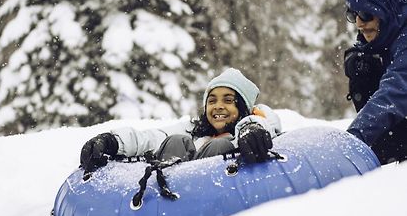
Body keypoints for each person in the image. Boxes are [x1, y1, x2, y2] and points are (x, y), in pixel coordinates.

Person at [80, 68, 282, 173]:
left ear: (243, 107)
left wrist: (252, 129)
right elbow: (153, 137)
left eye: (228, 100)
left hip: (222, 191)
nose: (218, 106)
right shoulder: (194, 130)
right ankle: (165, 197)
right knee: (177, 140)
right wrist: (113, 141)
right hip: (176, 193)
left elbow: (266, 123)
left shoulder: (252, 123)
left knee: (220, 144)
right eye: (212, 101)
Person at [344, 0, 407, 164]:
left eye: (366, 14)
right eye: (353, 14)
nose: (360, 23)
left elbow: (396, 91)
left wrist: (354, 138)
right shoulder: (393, 30)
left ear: (386, 12)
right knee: (360, 65)